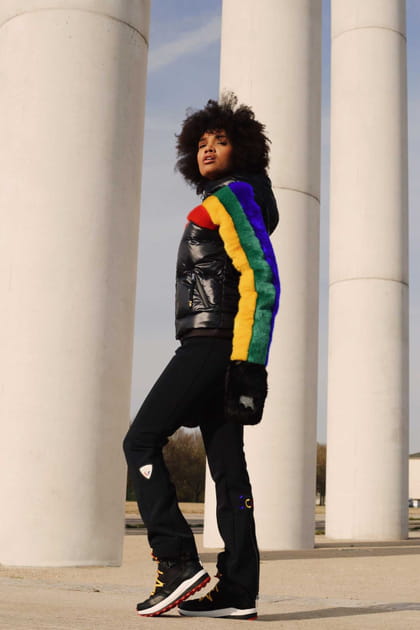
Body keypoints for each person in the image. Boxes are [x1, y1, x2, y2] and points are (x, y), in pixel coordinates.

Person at [123, 93, 280, 619]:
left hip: (211, 343)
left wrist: (249, 364)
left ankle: (176, 562)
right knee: (229, 471)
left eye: (221, 140)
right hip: (221, 346)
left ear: (244, 150)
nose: (208, 149)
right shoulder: (232, 198)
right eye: (202, 143)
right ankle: (237, 590)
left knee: (140, 439)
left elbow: (262, 278)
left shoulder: (233, 196)